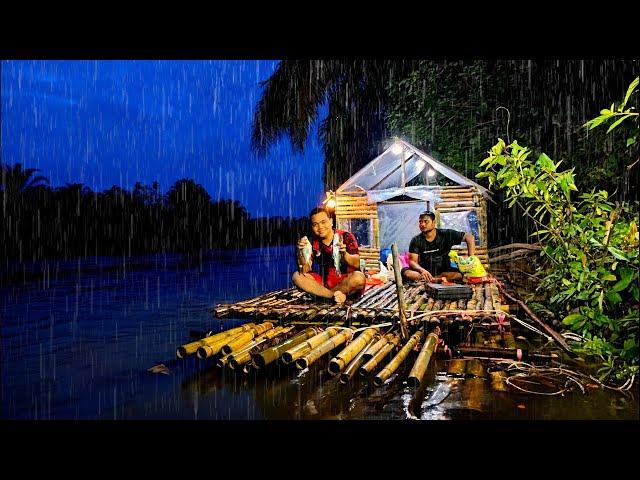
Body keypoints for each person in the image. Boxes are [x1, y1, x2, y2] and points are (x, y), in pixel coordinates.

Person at [292, 206, 365, 304]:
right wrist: (301, 253)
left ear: (331, 221)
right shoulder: (312, 241)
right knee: (297, 276)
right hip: (324, 284)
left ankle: (324, 296)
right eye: (315, 224)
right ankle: (332, 296)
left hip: (345, 283)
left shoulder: (346, 236)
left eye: (323, 222)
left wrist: (345, 254)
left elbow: (358, 263)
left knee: (359, 277)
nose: (320, 227)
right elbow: (305, 270)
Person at [402, 211, 476, 283]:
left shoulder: (446, 234)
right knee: (406, 273)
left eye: (426, 221)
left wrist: (471, 258)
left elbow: (469, 237)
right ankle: (435, 280)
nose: (422, 224)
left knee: (458, 275)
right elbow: (412, 261)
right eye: (420, 222)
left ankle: (433, 280)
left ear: (434, 222)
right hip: (424, 273)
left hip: (443, 271)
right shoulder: (416, 240)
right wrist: (422, 270)